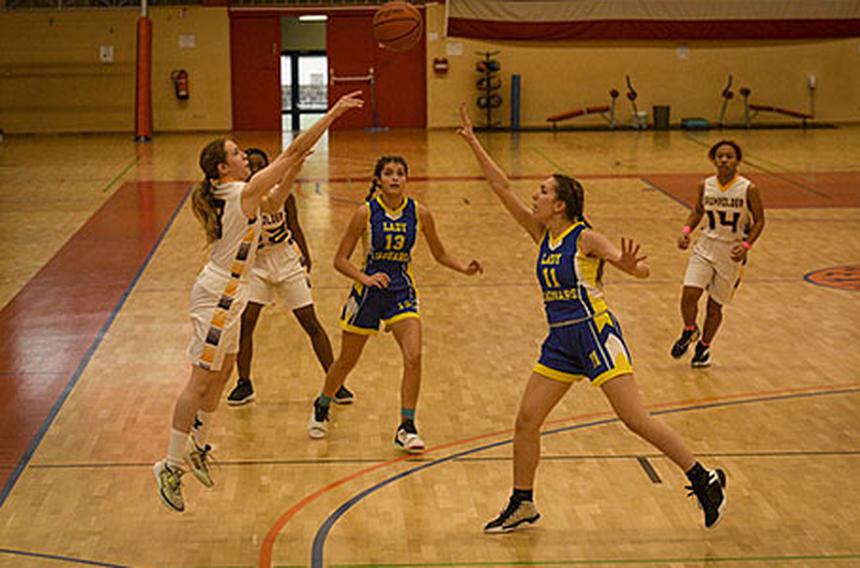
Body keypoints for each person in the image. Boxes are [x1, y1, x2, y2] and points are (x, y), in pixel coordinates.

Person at [456, 102, 727, 533]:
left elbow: (631, 265)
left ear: (561, 204)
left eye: (544, 191)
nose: (536, 195)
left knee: (634, 418)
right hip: (560, 340)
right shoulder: (541, 234)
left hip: (595, 332)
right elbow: (501, 187)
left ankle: (703, 477)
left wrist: (632, 266)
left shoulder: (584, 237)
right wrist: (473, 142)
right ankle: (523, 503)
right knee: (527, 421)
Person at [153, 91, 363, 513]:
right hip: (217, 295)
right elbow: (294, 149)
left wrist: (292, 172)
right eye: (235, 153)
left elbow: (275, 200)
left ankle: (198, 445)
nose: (243, 156)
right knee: (199, 381)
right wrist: (333, 114)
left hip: (233, 294)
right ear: (221, 167)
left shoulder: (242, 194)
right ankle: (170, 464)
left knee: (226, 371)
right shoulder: (236, 193)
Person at [306, 155, 483, 453]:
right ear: (378, 180)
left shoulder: (420, 213)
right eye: (388, 173)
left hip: (401, 292)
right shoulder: (364, 213)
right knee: (347, 361)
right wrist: (365, 277)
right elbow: (340, 260)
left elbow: (439, 254)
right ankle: (323, 402)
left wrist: (464, 268)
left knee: (413, 356)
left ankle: (407, 426)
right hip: (367, 295)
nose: (395, 178)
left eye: (401, 173)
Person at [225, 148, 354, 407]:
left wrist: (305, 255)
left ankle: (334, 382)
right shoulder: (241, 199)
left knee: (310, 322)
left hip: (285, 259)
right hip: (256, 265)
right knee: (246, 322)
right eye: (253, 166)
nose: (257, 171)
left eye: (263, 166)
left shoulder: (283, 197)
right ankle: (244, 383)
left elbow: (294, 227)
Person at [670, 140, 765, 367]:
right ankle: (689, 330)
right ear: (713, 159)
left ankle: (703, 347)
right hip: (705, 246)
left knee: (714, 307)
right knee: (689, 295)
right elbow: (697, 210)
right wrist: (686, 231)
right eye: (720, 156)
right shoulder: (706, 185)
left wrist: (746, 246)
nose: (724, 160)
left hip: (731, 252)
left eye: (729, 156)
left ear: (737, 161)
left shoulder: (748, 189)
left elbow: (760, 220)